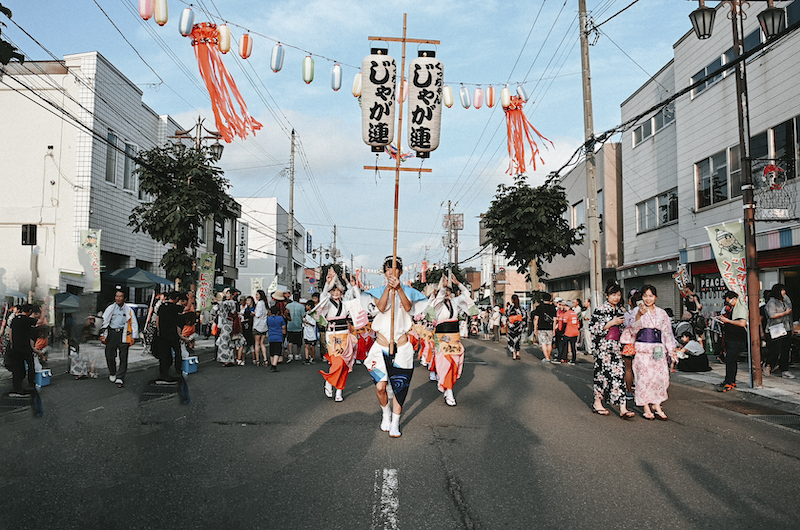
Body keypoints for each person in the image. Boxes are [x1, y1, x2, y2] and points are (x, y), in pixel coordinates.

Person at [362, 256, 429, 437]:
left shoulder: (409, 292)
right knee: (380, 387)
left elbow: (408, 308)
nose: (392, 272)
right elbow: (382, 308)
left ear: (401, 271)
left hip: (402, 345)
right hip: (380, 345)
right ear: (384, 273)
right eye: (388, 270)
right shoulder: (376, 292)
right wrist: (388, 289)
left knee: (400, 386)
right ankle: (386, 413)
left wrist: (399, 289)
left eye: (395, 269)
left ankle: (395, 422)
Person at [620, 285, 677, 420]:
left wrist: (671, 350)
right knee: (643, 378)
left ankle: (657, 404)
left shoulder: (662, 313)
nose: (648, 299)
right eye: (645, 296)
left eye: (651, 296)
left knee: (660, 377)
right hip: (642, 348)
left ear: (655, 297)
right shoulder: (636, 311)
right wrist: (640, 314)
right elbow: (633, 328)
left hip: (657, 348)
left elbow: (667, 333)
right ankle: (646, 406)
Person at [314, 269, 360, 402]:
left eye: (337, 290)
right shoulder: (327, 303)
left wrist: (354, 286)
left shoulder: (346, 304)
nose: (335, 293)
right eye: (333, 291)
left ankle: (339, 391)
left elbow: (358, 301)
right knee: (338, 362)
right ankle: (329, 381)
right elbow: (322, 298)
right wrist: (327, 284)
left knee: (345, 364)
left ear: (341, 291)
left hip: (345, 334)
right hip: (332, 336)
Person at [589, 283, 632, 418]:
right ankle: (597, 402)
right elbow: (593, 328)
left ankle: (623, 407)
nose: (616, 297)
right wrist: (611, 323)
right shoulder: (600, 309)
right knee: (602, 375)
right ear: (607, 295)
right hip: (604, 346)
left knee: (619, 375)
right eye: (613, 294)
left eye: (618, 294)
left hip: (617, 346)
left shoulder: (621, 310)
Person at [432, 273, 475, 405]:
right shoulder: (437, 304)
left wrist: (458, 284)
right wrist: (443, 288)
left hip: (455, 338)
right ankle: (449, 390)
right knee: (446, 363)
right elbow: (438, 299)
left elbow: (467, 295)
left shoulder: (455, 302)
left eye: (449, 292)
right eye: (445, 292)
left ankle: (448, 386)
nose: (447, 295)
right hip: (442, 337)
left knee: (455, 363)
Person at [101, 289, 139, 388]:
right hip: (112, 333)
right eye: (117, 296)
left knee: (123, 356)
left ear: (124, 298)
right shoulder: (110, 308)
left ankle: (120, 377)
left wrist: (134, 336)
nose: (118, 298)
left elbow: (133, 323)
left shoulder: (129, 310)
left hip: (124, 333)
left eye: (120, 296)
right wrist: (102, 334)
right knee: (110, 355)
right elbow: (104, 321)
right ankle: (113, 372)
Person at [7, 304, 45, 397]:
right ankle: (31, 384)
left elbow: (10, 332)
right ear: (29, 311)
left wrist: (12, 343)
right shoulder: (28, 320)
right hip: (26, 347)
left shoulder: (15, 319)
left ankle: (17, 387)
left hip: (16, 347)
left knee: (18, 368)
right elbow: (40, 321)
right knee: (30, 365)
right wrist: (43, 311)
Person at [156, 291, 191, 383]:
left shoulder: (162, 306)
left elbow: (157, 318)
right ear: (176, 299)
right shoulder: (175, 307)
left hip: (163, 333)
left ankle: (163, 373)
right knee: (177, 352)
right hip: (172, 333)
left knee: (164, 354)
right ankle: (177, 371)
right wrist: (190, 298)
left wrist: (159, 330)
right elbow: (187, 308)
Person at [716, 291, 748, 391]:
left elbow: (742, 323)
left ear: (734, 298)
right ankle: (729, 380)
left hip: (737, 338)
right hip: (731, 337)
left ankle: (730, 381)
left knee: (731, 359)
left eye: (729, 301)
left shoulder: (741, 307)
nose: (729, 304)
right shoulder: (734, 308)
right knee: (730, 360)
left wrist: (727, 321)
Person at [765, 283, 794, 379]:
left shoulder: (785, 301)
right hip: (775, 329)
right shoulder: (772, 302)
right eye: (782, 290)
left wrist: (792, 327)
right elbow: (772, 315)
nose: (784, 292)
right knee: (775, 349)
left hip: (786, 328)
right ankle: (768, 365)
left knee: (785, 350)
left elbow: (790, 313)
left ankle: (784, 369)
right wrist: (785, 313)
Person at [215, 288, 241, 367]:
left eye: (228, 293)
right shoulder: (233, 303)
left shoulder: (230, 302)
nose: (227, 295)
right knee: (229, 343)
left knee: (224, 342)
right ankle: (231, 359)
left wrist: (217, 301)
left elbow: (223, 305)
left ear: (233, 295)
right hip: (229, 323)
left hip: (227, 324)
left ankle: (226, 360)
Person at [533, 293, 557, 362]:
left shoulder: (539, 307)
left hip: (541, 327)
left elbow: (536, 318)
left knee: (543, 343)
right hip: (550, 327)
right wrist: (554, 329)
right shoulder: (553, 308)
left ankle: (546, 358)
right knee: (549, 343)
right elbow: (555, 319)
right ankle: (548, 357)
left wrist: (535, 328)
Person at [286, 292, 306, 362]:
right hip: (298, 326)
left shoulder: (288, 306)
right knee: (299, 342)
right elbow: (303, 316)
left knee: (290, 341)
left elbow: (286, 315)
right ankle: (297, 354)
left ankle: (290, 354)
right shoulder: (301, 307)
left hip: (290, 325)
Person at [266, 305, 286, 372]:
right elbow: (283, 327)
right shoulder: (280, 318)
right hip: (278, 336)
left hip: (271, 336)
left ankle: (272, 364)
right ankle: (274, 365)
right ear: (278, 312)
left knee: (272, 352)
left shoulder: (268, 319)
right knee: (277, 352)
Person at [253, 289, 269, 366]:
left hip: (258, 325)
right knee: (262, 343)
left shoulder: (259, 303)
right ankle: (265, 359)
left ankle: (257, 360)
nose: (256, 296)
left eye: (257, 295)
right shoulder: (265, 303)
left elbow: (257, 314)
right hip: (264, 325)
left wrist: (253, 313)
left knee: (257, 343)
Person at [507, 294, 525, 360]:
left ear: (512, 300)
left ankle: (514, 354)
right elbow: (524, 316)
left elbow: (507, 316)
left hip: (511, 326)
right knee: (518, 339)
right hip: (519, 326)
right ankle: (518, 352)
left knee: (511, 340)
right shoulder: (521, 308)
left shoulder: (509, 308)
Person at [240, 296, 256, 365]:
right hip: (250, 333)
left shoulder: (243, 323)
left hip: (245, 335)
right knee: (252, 347)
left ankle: (243, 360)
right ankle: (254, 359)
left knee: (244, 348)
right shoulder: (250, 321)